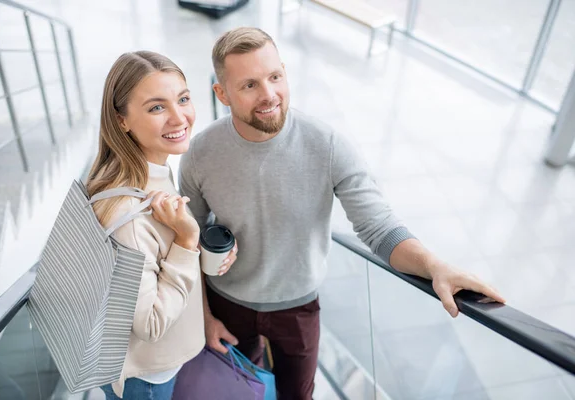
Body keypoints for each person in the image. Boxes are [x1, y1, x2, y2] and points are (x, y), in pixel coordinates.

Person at [178, 27, 506, 399]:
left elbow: (378, 227)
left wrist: (435, 267)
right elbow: (187, 241)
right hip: (226, 302)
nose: (269, 95)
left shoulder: (328, 145)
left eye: (275, 77)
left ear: (285, 71)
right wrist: (202, 316)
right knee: (235, 389)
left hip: (297, 307)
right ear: (222, 93)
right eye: (249, 85)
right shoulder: (201, 153)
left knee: (298, 395)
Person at [86, 51, 233, 400]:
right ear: (122, 120)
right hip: (146, 379)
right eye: (156, 108)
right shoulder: (129, 214)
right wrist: (187, 239)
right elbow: (150, 324)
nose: (179, 117)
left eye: (182, 99)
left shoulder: (150, 172)